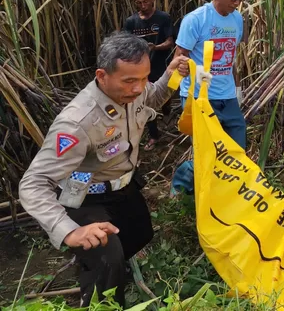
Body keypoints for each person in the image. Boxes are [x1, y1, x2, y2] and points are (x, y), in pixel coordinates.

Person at [18, 33, 188, 307]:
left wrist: (169, 75)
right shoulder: (77, 122)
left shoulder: (134, 90)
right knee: (107, 261)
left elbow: (151, 98)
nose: (138, 88)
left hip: (122, 186)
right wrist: (69, 231)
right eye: (130, 80)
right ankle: (99, 292)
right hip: (85, 195)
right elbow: (33, 183)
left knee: (141, 233)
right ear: (102, 75)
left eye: (144, 78)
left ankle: (100, 266)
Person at [171, 0, 247, 195]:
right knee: (207, 150)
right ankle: (184, 189)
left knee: (237, 145)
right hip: (199, 95)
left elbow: (232, 55)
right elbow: (179, 57)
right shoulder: (196, 20)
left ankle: (226, 191)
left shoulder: (237, 19)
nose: (238, 2)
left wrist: (237, 90)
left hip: (227, 94)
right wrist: (182, 68)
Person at [123, 0, 174, 151]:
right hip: (141, 70)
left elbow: (170, 42)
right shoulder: (131, 22)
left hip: (160, 64)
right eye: (139, 2)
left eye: (146, 1)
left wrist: (155, 47)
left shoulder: (163, 18)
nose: (143, 5)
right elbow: (126, 44)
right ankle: (153, 135)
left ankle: (167, 113)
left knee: (164, 95)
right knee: (147, 101)